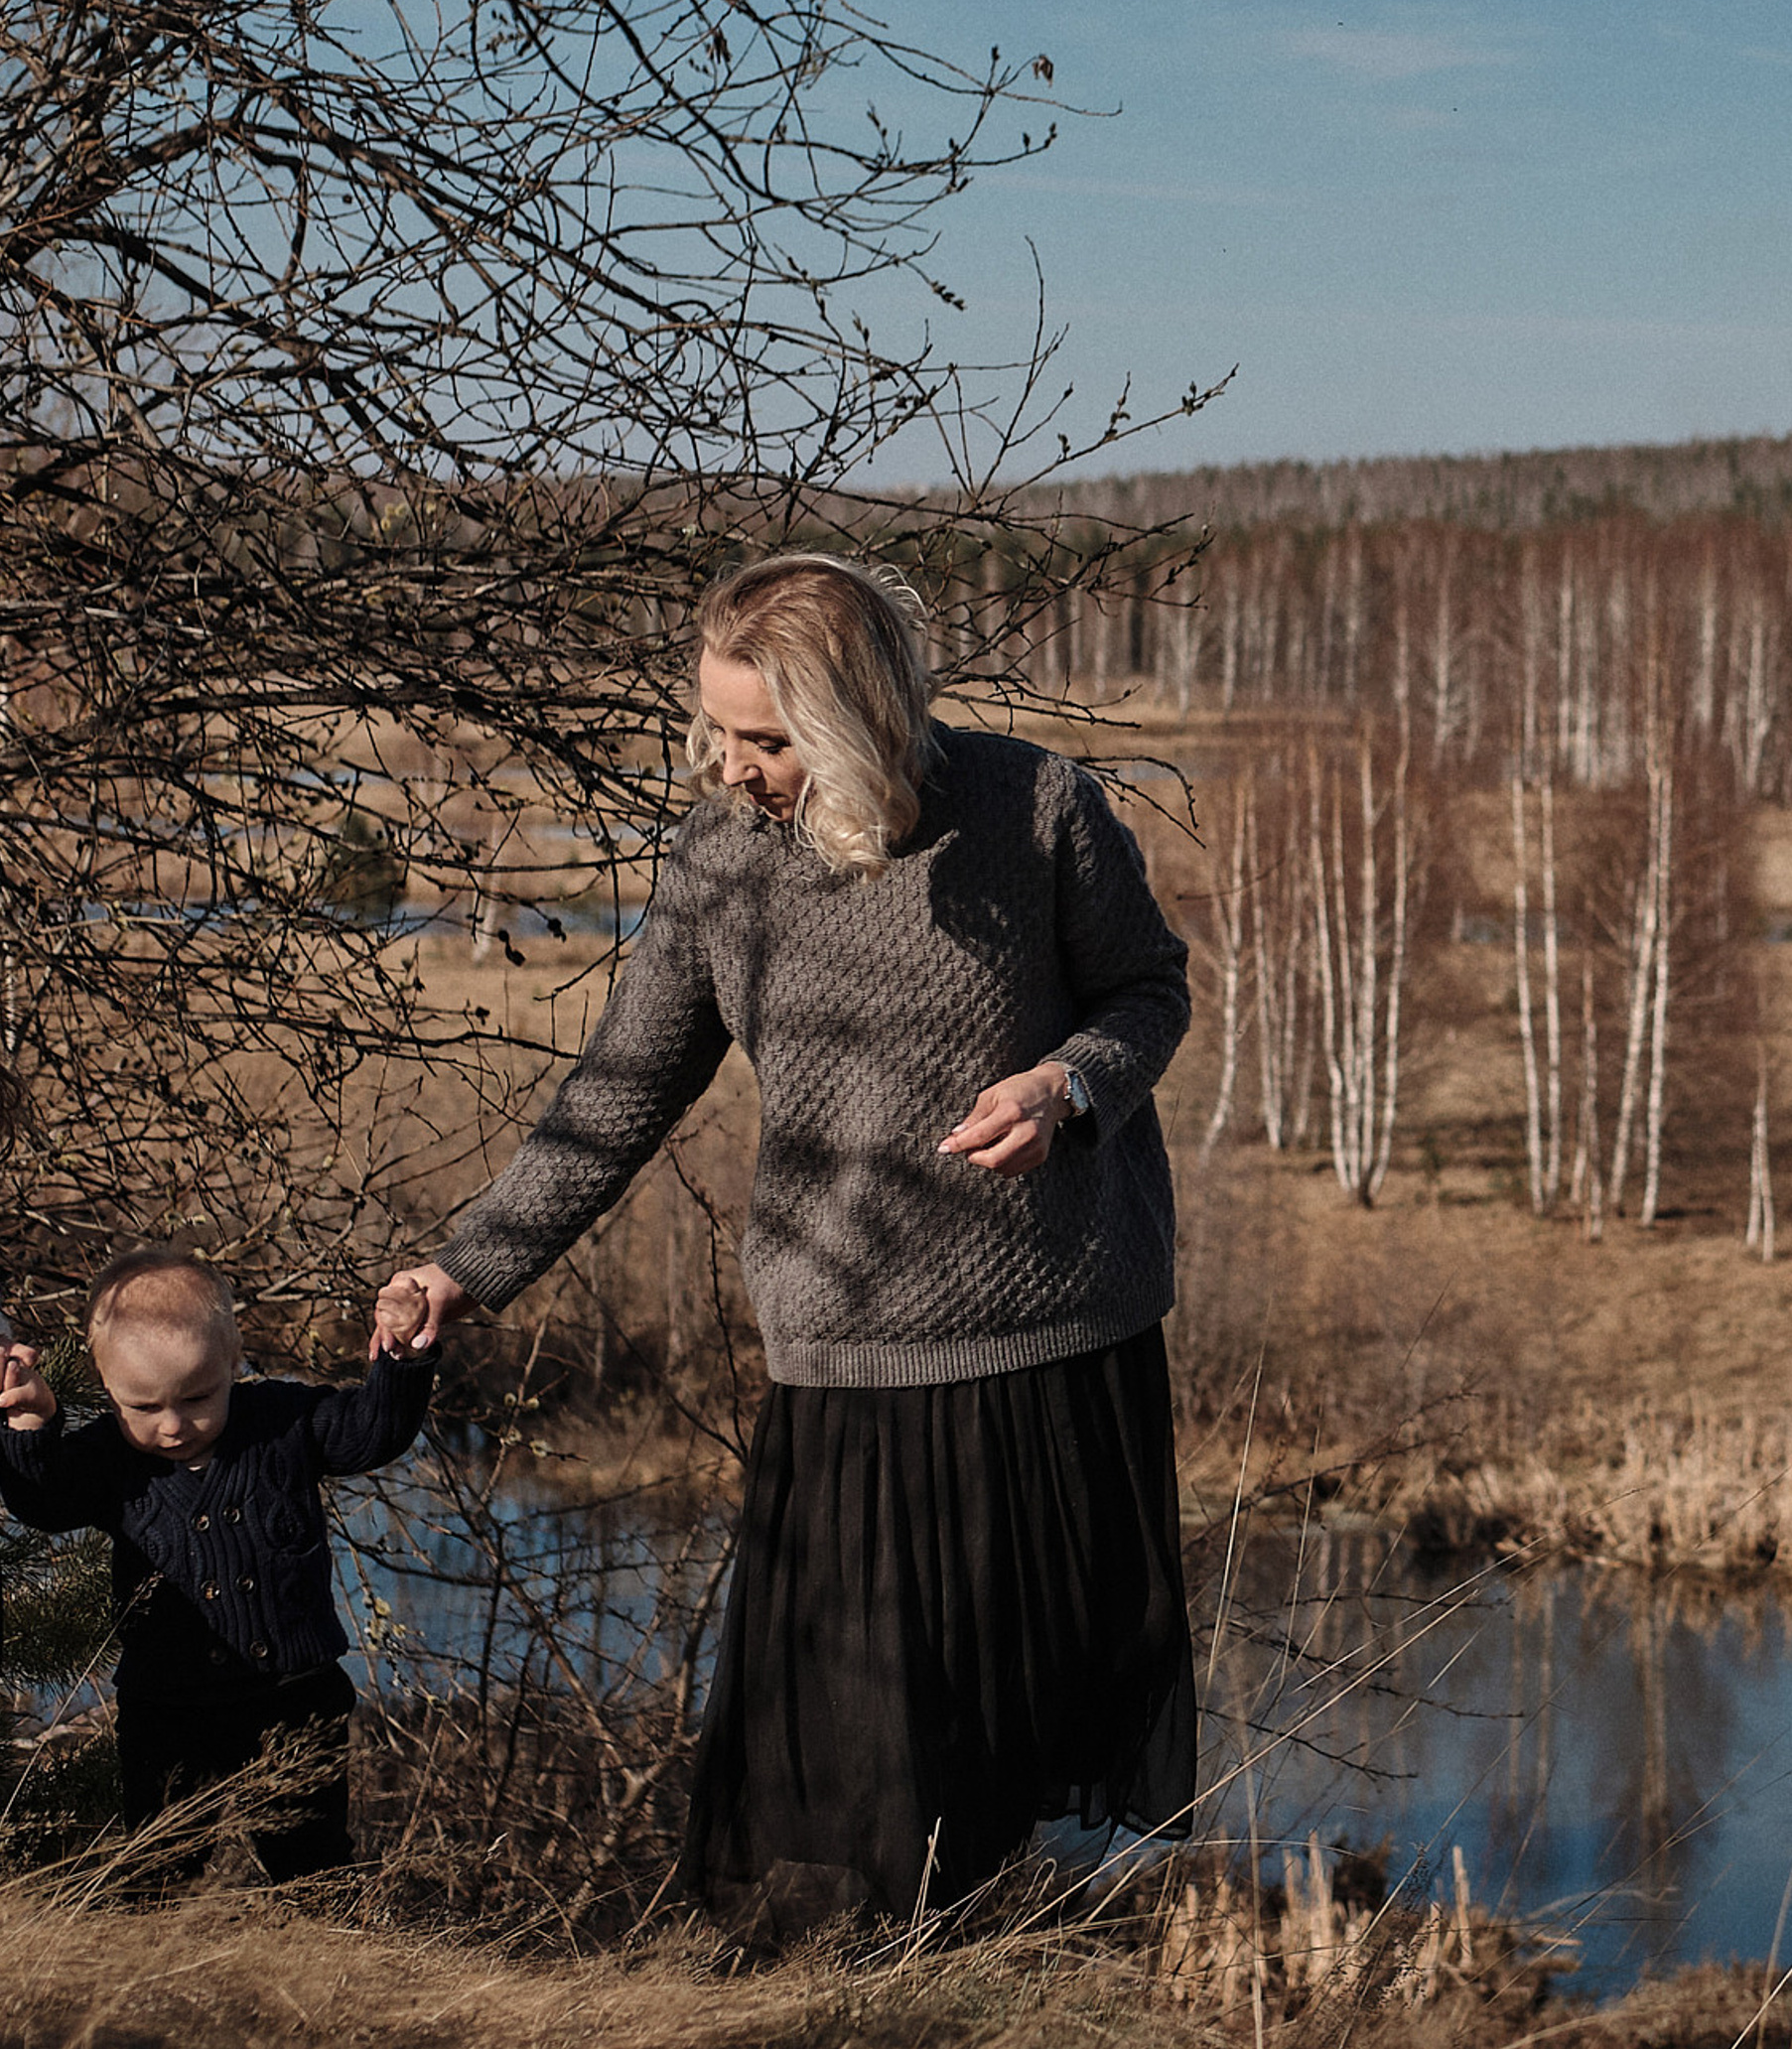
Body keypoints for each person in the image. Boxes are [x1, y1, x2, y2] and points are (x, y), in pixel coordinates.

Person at [374, 553, 1195, 1928]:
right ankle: (837, 2042)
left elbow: (1145, 991)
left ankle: (957, 2043)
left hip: (1052, 1339)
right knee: (843, 1780)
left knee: (994, 1767)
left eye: (766, 739)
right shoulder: (722, 860)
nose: (735, 767)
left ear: (863, 715)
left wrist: (1070, 1087)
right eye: (717, 731)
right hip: (850, 1353)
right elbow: (625, 1085)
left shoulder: (1040, 808)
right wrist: (474, 1264)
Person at [0, 1249, 440, 1879]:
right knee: (157, 1864)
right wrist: (29, 1424)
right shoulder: (105, 1459)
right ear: (105, 1384)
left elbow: (372, 1433)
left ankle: (334, 1959)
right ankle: (148, 1966)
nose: (174, 1425)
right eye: (144, 1407)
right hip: (167, 1710)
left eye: (198, 1397)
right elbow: (45, 1501)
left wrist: (402, 1359)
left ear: (234, 1362)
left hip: (296, 1698)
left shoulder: (283, 1421)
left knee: (314, 1866)